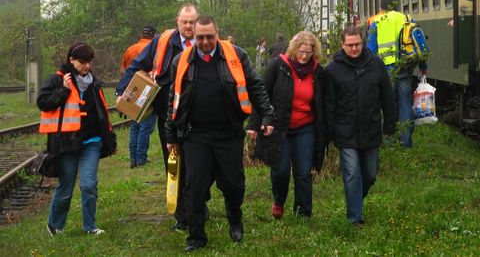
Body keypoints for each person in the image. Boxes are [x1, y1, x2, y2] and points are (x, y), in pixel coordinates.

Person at [165, 15, 275, 252]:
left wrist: (266, 114)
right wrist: (170, 135)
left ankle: (234, 218)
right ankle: (196, 237)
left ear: (218, 33)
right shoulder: (180, 61)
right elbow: (173, 101)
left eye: (209, 37)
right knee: (193, 188)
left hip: (229, 133)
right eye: (200, 37)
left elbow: (255, 85)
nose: (205, 42)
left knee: (233, 184)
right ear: (193, 36)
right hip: (195, 135)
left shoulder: (237, 55)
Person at [115, 4, 198, 230]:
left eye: (192, 22)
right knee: (174, 164)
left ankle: (197, 204)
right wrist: (122, 92)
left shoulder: (207, 40)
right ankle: (183, 215)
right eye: (184, 22)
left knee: (198, 166)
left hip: (199, 118)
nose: (188, 26)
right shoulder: (162, 41)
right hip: (168, 116)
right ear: (177, 21)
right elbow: (136, 65)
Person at [37, 42, 117, 236]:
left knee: (89, 184)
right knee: (66, 186)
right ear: (71, 60)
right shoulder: (57, 80)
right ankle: (55, 226)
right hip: (67, 143)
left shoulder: (94, 83)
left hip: (92, 142)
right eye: (82, 62)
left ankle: (90, 227)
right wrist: (63, 91)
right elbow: (43, 103)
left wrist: (109, 140)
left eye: (89, 62)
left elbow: (102, 114)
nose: (86, 66)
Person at [247, 31, 327, 219]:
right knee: (281, 170)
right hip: (279, 126)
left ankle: (303, 211)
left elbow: (323, 103)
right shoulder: (278, 66)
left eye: (309, 52)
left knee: (303, 172)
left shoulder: (317, 72)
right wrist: (254, 123)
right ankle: (279, 201)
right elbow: (262, 95)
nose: (304, 56)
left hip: (305, 128)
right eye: (301, 51)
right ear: (294, 49)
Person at [325, 26, 395, 226]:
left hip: (370, 128)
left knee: (370, 174)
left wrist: (389, 124)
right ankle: (354, 217)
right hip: (345, 131)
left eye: (357, 44)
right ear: (342, 45)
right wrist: (329, 132)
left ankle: (356, 199)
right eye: (350, 45)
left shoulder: (375, 64)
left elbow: (387, 97)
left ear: (363, 43)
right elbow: (329, 103)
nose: (354, 48)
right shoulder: (332, 70)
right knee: (352, 173)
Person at [367, 0, 427, 148]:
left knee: (388, 104)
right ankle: (406, 142)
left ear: (381, 8)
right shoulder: (407, 19)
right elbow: (418, 42)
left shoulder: (377, 22)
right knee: (405, 103)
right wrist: (423, 67)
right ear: (397, 4)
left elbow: (371, 50)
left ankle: (389, 140)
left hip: (386, 69)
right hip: (406, 67)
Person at [121, 24, 157, 168]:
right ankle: (141, 158)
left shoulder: (130, 49)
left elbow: (123, 70)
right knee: (146, 125)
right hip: (147, 89)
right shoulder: (155, 48)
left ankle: (133, 159)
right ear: (154, 35)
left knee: (134, 125)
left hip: (132, 89)